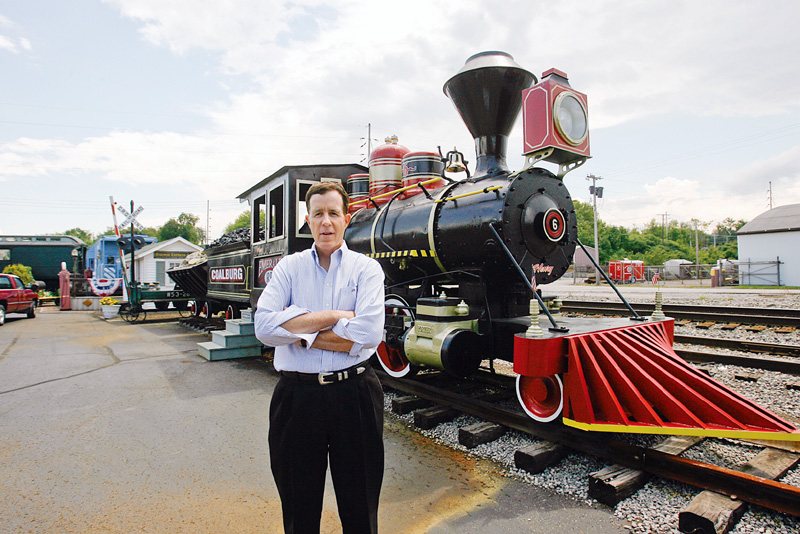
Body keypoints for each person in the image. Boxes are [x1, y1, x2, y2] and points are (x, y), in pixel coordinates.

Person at [254, 181, 386, 534]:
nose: (326, 222)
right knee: (299, 512)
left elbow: (369, 334)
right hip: (297, 399)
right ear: (308, 221)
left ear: (346, 219)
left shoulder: (367, 269)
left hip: (354, 394)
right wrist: (334, 317)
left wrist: (298, 329)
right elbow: (264, 327)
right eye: (318, 215)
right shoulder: (288, 268)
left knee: (361, 511)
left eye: (333, 213)